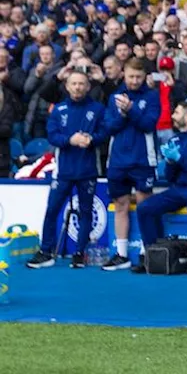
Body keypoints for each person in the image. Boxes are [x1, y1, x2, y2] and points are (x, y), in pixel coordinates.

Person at [27, 72, 107, 269]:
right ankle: (46, 251)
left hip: (88, 170)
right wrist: (70, 140)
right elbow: (52, 136)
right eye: (74, 84)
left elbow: (105, 132)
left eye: (81, 84)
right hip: (63, 171)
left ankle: (80, 253)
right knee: (52, 210)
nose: (78, 87)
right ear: (67, 86)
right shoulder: (59, 109)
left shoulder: (97, 109)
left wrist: (91, 139)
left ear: (88, 86)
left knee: (86, 211)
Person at [133, 102, 187, 275]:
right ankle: (153, 254)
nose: (172, 115)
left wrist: (179, 159)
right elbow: (170, 176)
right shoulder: (175, 139)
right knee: (145, 208)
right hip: (180, 188)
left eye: (177, 112)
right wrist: (170, 162)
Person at [101, 58, 161, 271]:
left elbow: (148, 124)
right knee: (120, 205)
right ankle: (121, 254)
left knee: (145, 204)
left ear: (145, 76)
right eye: (130, 76)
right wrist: (123, 113)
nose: (134, 81)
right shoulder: (114, 97)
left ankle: (147, 252)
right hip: (117, 160)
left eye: (138, 77)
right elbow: (109, 127)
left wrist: (132, 109)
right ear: (123, 74)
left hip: (143, 159)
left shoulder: (152, 96)